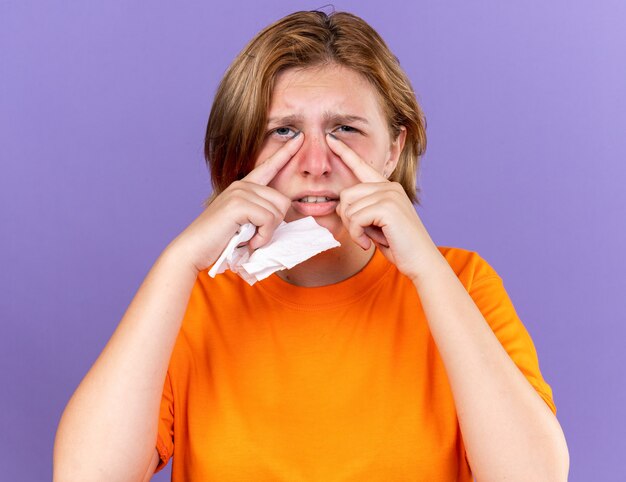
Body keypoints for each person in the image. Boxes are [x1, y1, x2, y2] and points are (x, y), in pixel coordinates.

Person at [53, 10, 569, 481]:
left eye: (345, 130)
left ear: (393, 150)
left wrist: (428, 273)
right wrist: (178, 261)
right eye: (283, 131)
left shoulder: (462, 284)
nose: (316, 162)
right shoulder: (192, 300)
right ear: (241, 154)